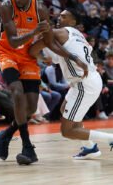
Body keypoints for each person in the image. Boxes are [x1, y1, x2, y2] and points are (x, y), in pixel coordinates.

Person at [0, 0, 86, 165]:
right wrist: (34, 30)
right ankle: (27, 147)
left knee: (32, 108)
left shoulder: (40, 10)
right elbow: (13, 42)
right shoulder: (6, 7)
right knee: (18, 94)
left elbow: (50, 42)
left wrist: (72, 57)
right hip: (7, 53)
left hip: (28, 56)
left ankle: (5, 135)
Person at [28, 9, 113, 159]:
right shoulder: (77, 37)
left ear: (73, 22)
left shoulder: (64, 32)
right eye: (59, 15)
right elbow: (47, 53)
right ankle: (90, 148)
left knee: (67, 131)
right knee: (64, 108)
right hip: (86, 81)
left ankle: (110, 139)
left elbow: (35, 46)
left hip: (84, 84)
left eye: (64, 16)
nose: (59, 17)